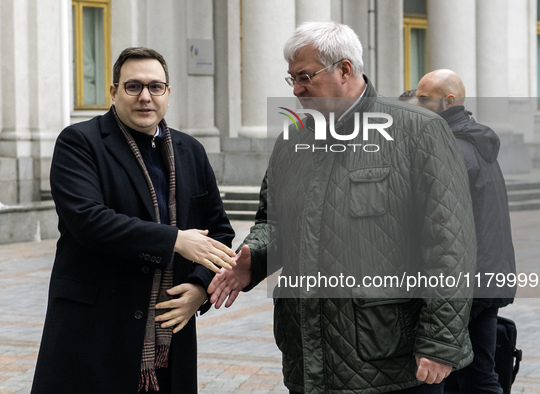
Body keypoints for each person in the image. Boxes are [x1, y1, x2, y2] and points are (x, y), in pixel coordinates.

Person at [209, 22, 477, 393]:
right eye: (291, 79)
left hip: (393, 362)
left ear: (345, 70)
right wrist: (254, 256)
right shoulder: (292, 140)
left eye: (305, 77)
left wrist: (440, 341)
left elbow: (450, 245)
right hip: (309, 355)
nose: (297, 89)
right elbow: (272, 220)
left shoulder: (419, 131)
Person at [31, 47, 235, 394]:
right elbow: (88, 220)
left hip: (168, 335)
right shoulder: (80, 142)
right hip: (96, 330)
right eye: (133, 86)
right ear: (113, 92)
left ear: (168, 93)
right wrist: (174, 240)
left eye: (156, 87)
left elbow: (219, 232)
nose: (145, 97)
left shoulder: (191, 151)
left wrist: (199, 289)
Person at [415, 69, 516, 394]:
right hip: (489, 277)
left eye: (423, 98)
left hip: (467, 284)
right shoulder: (476, 142)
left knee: (438, 371)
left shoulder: (454, 150)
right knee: (479, 374)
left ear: (449, 101)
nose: (417, 105)